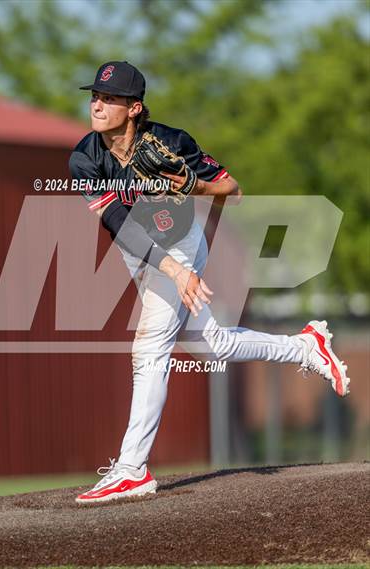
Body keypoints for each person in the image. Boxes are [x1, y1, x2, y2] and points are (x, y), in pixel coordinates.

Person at [69, 61, 350, 504]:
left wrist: (193, 185)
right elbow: (118, 222)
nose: (97, 105)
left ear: (134, 107)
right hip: (145, 254)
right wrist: (172, 271)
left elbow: (233, 191)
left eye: (109, 98)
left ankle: (132, 470)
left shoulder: (172, 142)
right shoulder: (84, 157)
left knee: (148, 348)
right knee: (212, 344)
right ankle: (305, 347)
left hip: (180, 243)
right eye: (95, 97)